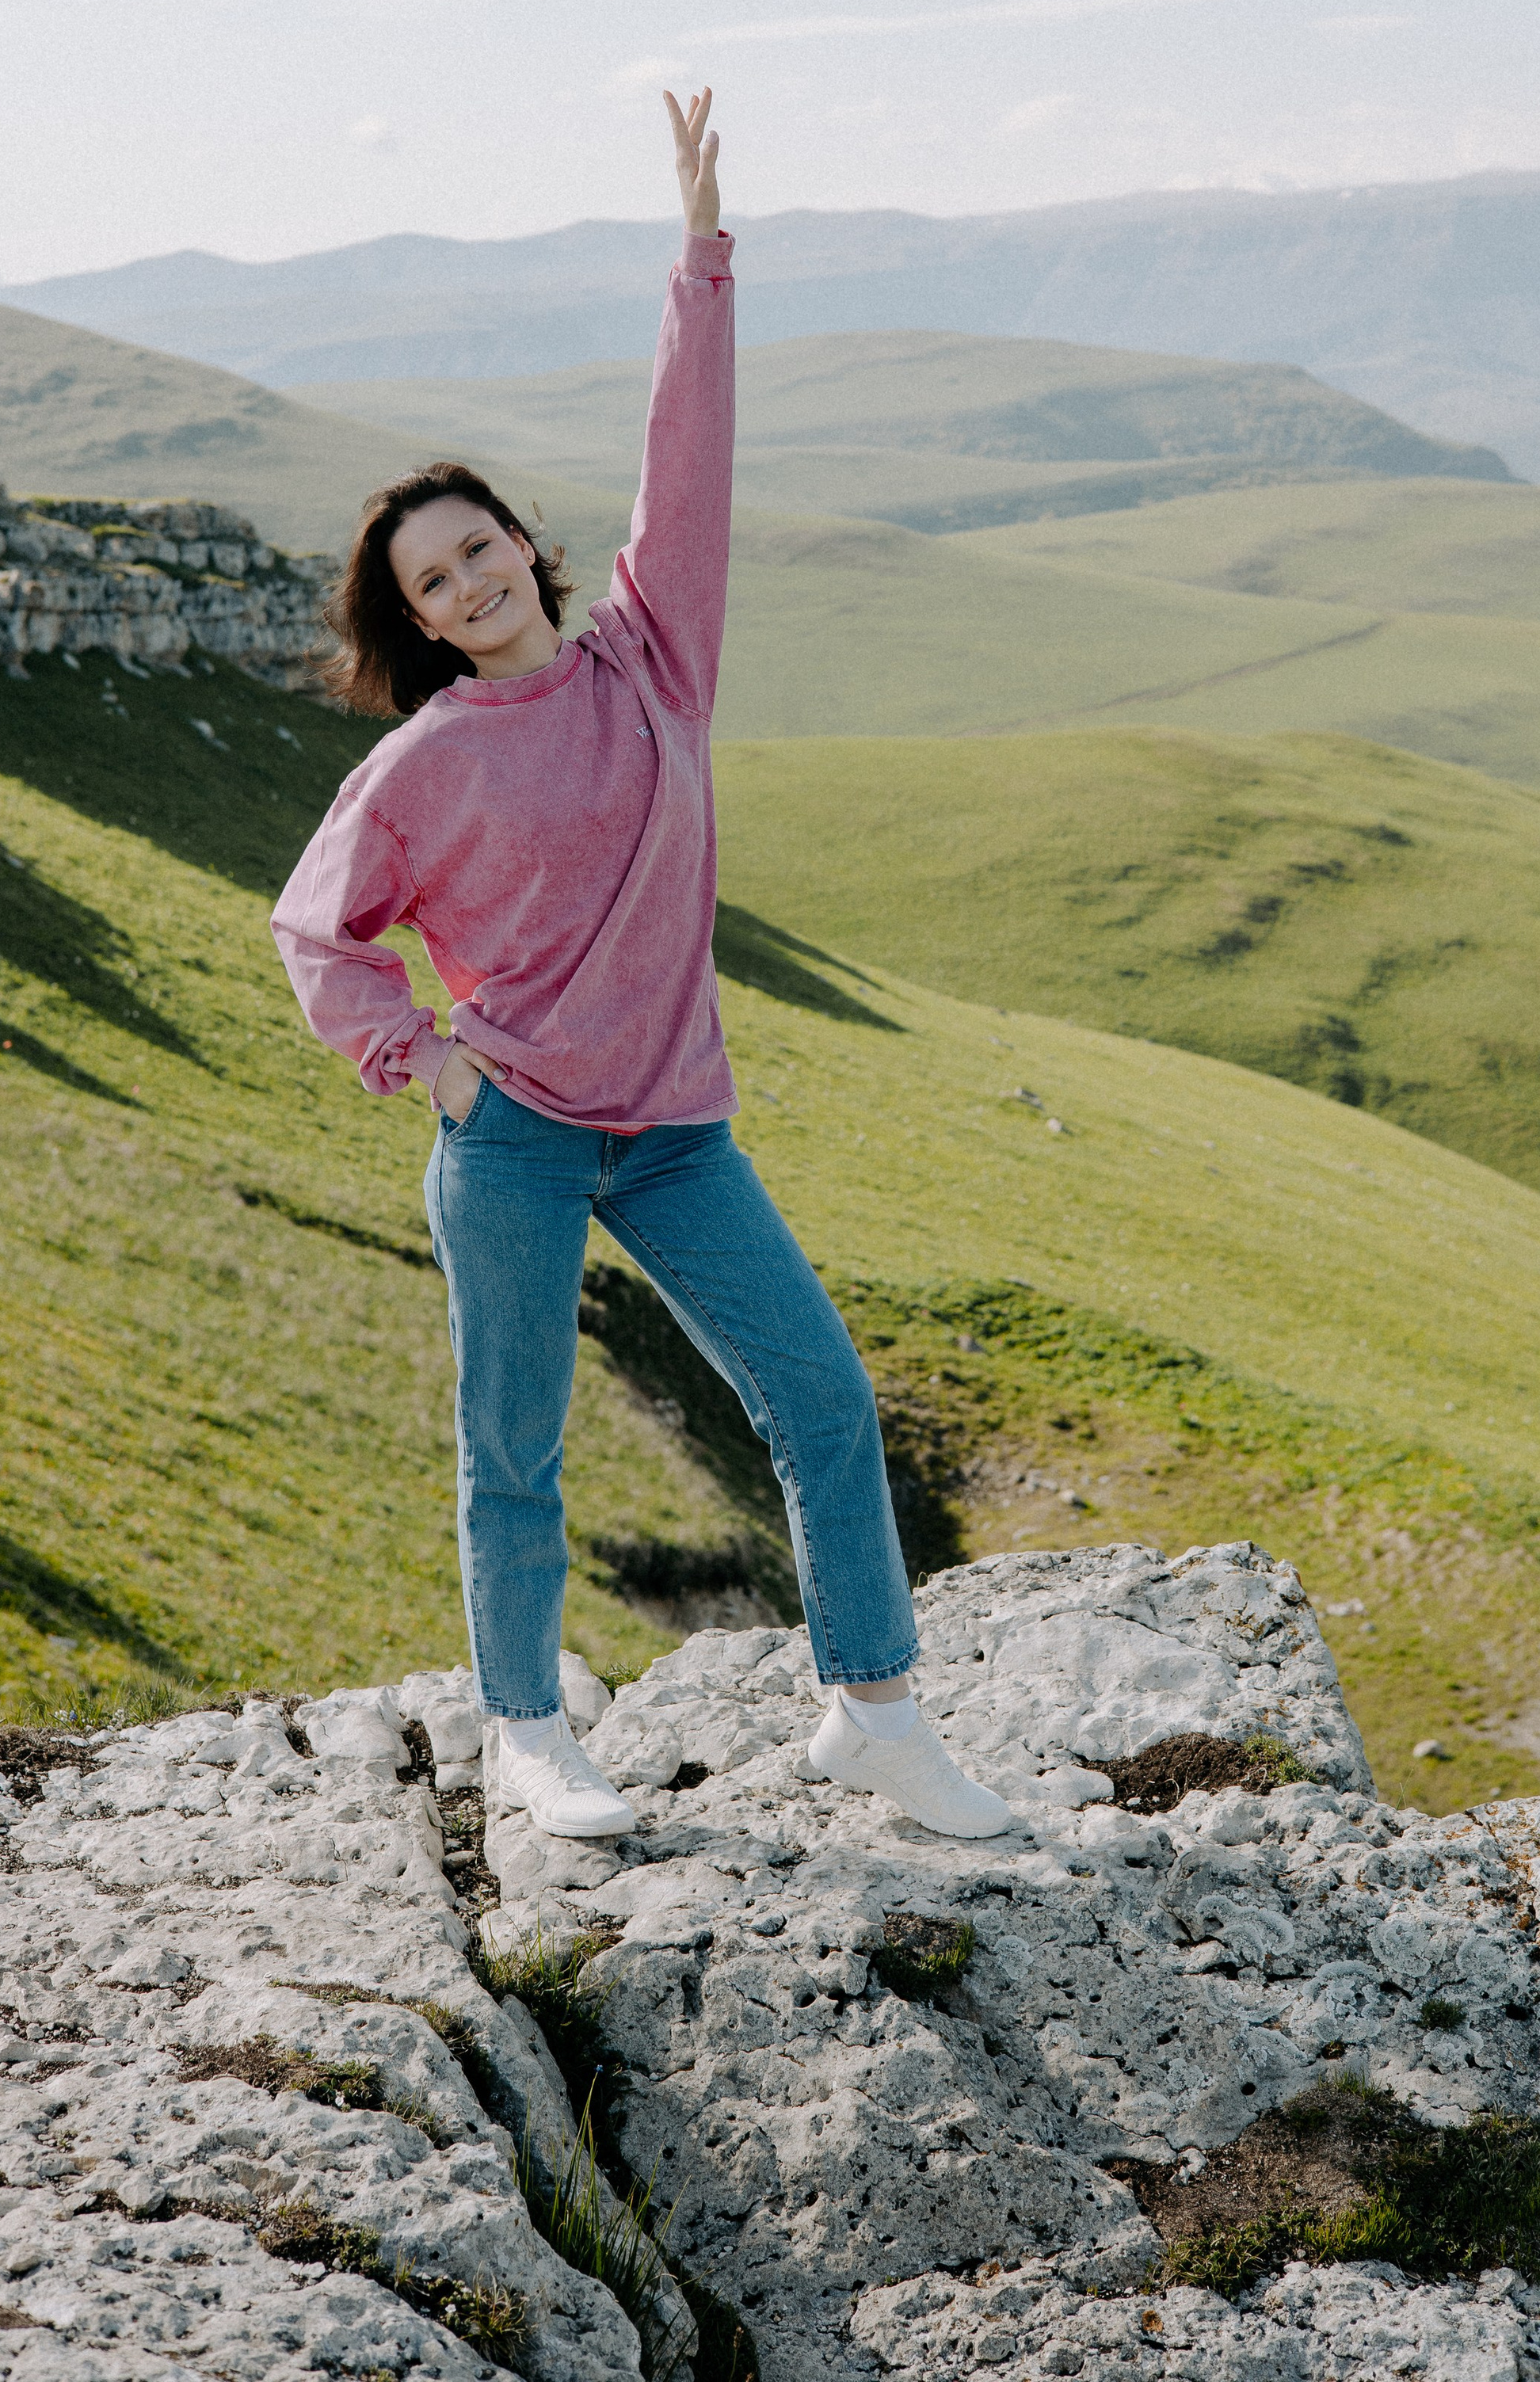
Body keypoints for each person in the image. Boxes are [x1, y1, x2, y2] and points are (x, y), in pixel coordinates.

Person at [272, 91, 1008, 1846]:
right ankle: (527, 1734)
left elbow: (689, 464)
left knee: (822, 1402)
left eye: (474, 551)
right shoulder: (424, 763)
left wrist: (699, 256)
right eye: (428, 586)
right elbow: (313, 930)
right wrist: (427, 1064)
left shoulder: (652, 657)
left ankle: (875, 1714)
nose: (460, 588)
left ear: (524, 543)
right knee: (512, 1450)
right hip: (514, 1137)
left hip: (675, 1129)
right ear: (421, 621)